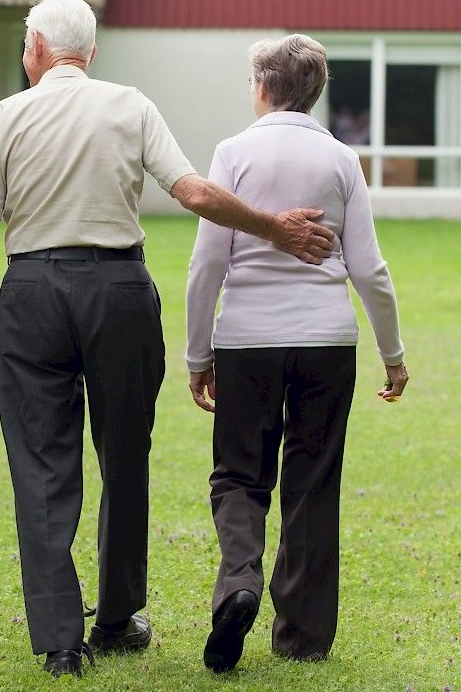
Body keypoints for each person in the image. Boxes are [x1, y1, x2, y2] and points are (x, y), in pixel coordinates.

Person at [0, 0, 336, 678]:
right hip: (119, 294)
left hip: (32, 292)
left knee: (41, 467)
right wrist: (275, 228)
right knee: (124, 454)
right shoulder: (129, 105)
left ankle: (63, 642)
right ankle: (120, 615)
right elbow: (192, 193)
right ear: (90, 53)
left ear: (35, 46)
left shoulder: (4, 117)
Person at [185, 34, 408, 673]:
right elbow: (369, 268)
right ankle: (303, 635)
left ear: (261, 87)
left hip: (247, 341)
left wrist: (199, 354)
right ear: (316, 90)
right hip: (326, 341)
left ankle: (239, 584)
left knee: (238, 474)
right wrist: (391, 352)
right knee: (313, 482)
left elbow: (207, 264)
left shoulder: (232, 153)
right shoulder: (341, 160)